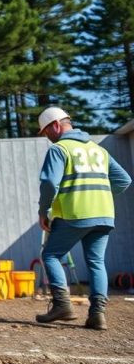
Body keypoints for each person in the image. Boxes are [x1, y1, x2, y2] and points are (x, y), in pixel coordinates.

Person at [34, 106, 130, 330]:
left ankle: (62, 305)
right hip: (104, 214)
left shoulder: (60, 149)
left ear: (56, 125)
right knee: (96, 262)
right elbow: (124, 180)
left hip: (75, 213)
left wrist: (43, 211)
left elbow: (49, 183)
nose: (47, 138)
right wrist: (100, 194)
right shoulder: (98, 150)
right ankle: (97, 314)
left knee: (50, 255)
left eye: (46, 132)